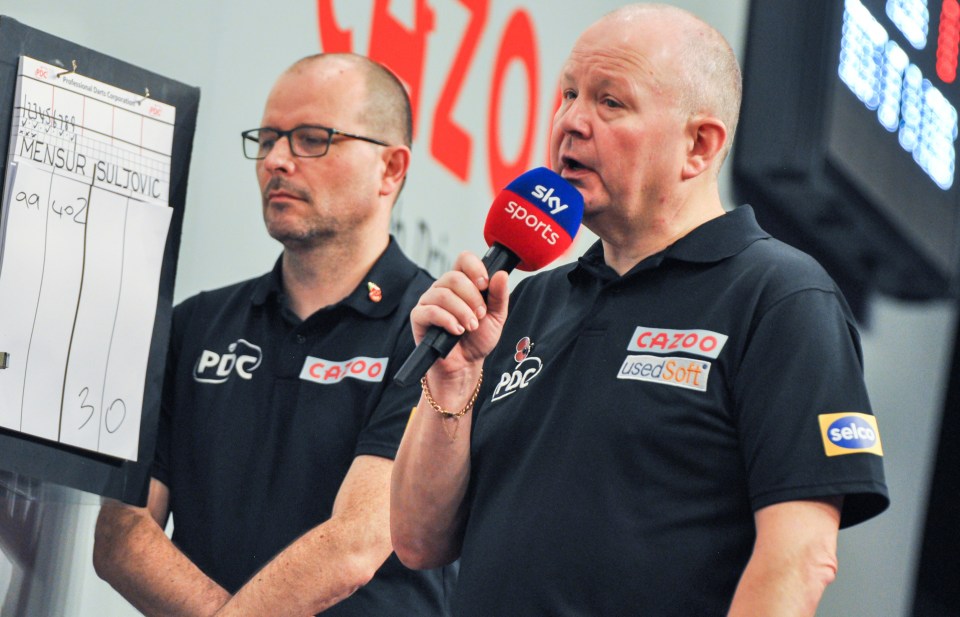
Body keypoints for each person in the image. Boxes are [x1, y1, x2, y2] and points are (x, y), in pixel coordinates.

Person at [390, 4, 889, 616]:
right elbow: (418, 540)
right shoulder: (526, 302)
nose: (570, 121)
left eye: (610, 102)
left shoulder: (780, 297)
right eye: (568, 93)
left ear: (698, 146)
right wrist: (454, 379)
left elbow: (800, 557)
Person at [93, 53, 453, 616]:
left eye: (311, 139)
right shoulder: (195, 326)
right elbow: (122, 536)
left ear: (391, 169)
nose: (277, 161)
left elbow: (358, 542)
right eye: (266, 139)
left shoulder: (435, 334)